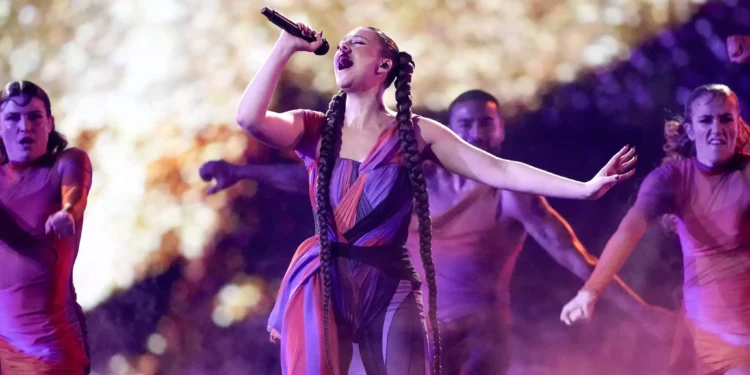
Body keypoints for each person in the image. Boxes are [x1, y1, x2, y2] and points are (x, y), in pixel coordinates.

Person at [234, 22, 635, 375]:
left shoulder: (416, 133)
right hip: (325, 282)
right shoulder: (314, 128)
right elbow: (249, 119)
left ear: (383, 65)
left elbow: (499, 170)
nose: (342, 47)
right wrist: (285, 46)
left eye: (356, 42)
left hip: (389, 284)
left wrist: (584, 187)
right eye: (341, 43)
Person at [560, 36, 750, 375]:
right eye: (706, 120)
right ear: (690, 130)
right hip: (703, 336)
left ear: (739, 125)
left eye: (726, 119)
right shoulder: (671, 180)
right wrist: (590, 292)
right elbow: (628, 232)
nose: (717, 129)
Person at [0, 81, 92, 374]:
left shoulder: (65, 163)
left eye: (34, 117)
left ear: (49, 123)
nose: (24, 126)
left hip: (52, 352)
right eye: (12, 118)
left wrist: (68, 212)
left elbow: (76, 190)